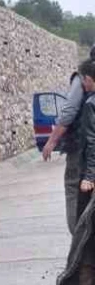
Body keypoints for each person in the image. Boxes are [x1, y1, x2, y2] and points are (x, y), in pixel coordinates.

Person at [42, 46, 95, 233]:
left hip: (80, 147)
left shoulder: (82, 78)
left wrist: (52, 141)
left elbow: (69, 112)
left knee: (73, 189)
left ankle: (79, 238)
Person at [70, 60, 95, 222]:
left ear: (89, 78)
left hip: (91, 172)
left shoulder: (90, 104)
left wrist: (89, 177)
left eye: (83, 80)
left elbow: (92, 142)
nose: (83, 85)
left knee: (85, 222)